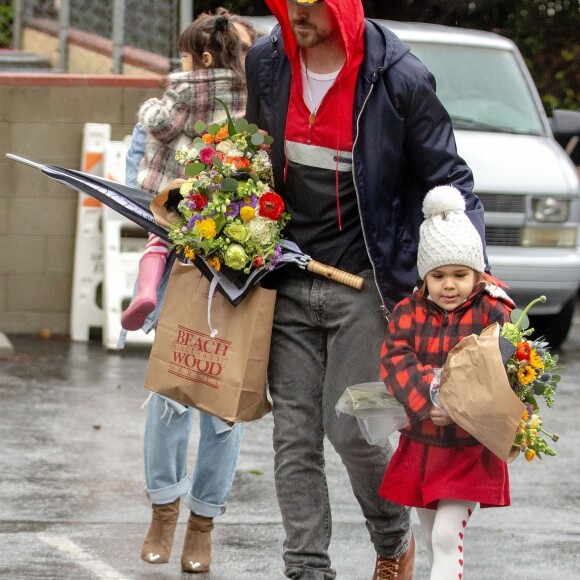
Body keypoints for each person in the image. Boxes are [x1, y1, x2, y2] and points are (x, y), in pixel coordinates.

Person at [244, 1, 488, 578]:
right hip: (287, 277)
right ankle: (306, 568)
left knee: (354, 428)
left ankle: (391, 537)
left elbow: (449, 178)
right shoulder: (267, 62)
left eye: (311, 3)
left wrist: (472, 270)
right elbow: (255, 152)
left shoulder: (400, 79)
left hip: (367, 283)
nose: (296, 13)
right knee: (294, 434)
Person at [123, 12, 254, 574]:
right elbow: (136, 188)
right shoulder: (234, 103)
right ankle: (164, 512)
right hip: (182, 258)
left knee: (222, 408)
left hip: (242, 269)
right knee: (171, 398)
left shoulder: (260, 107)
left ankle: (202, 524)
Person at [378, 185, 514, 579]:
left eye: (460, 274)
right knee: (432, 530)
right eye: (438, 276)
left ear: (477, 272)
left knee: (445, 535)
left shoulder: (494, 310)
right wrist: (430, 396)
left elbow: (499, 363)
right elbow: (395, 358)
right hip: (423, 441)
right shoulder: (409, 312)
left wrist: (456, 402)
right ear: (425, 276)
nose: (450, 285)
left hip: (469, 445)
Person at [121, 11, 256, 331]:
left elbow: (164, 125)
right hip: (218, 194)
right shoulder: (249, 91)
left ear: (204, 57)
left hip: (176, 189)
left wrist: (149, 109)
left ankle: (144, 292)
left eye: (184, 56)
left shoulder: (187, 86)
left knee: (158, 238)